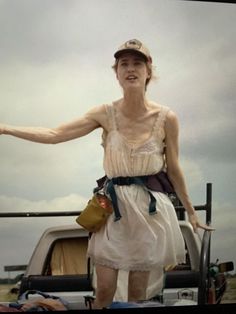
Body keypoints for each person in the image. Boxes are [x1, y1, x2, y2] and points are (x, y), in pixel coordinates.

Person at [0, 39, 214, 309]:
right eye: (124, 64)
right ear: (116, 72)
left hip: (149, 211)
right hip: (112, 208)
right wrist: (6, 128)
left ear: (149, 70)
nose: (130, 69)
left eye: (137, 63)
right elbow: (55, 135)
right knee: (104, 290)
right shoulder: (105, 113)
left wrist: (192, 213)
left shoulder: (166, 117)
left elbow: (174, 168)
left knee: (138, 293)